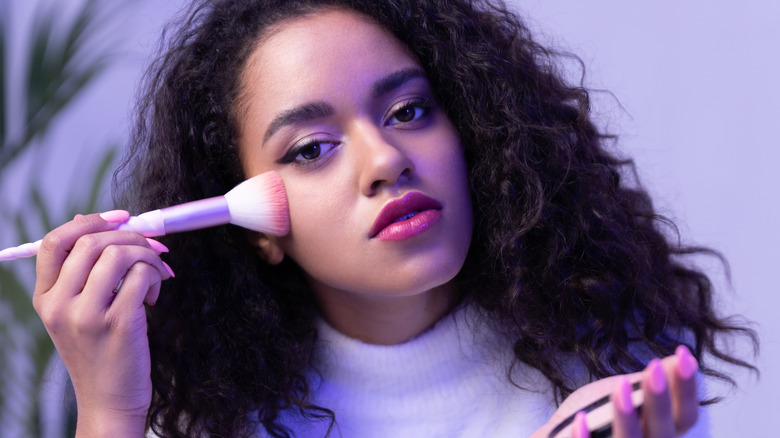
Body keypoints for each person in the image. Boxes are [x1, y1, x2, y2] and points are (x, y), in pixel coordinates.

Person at [31, 0, 757, 437]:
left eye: (409, 111)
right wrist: (110, 409)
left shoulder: (607, 365)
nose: (384, 159)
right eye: (312, 149)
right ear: (257, 228)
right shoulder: (215, 416)